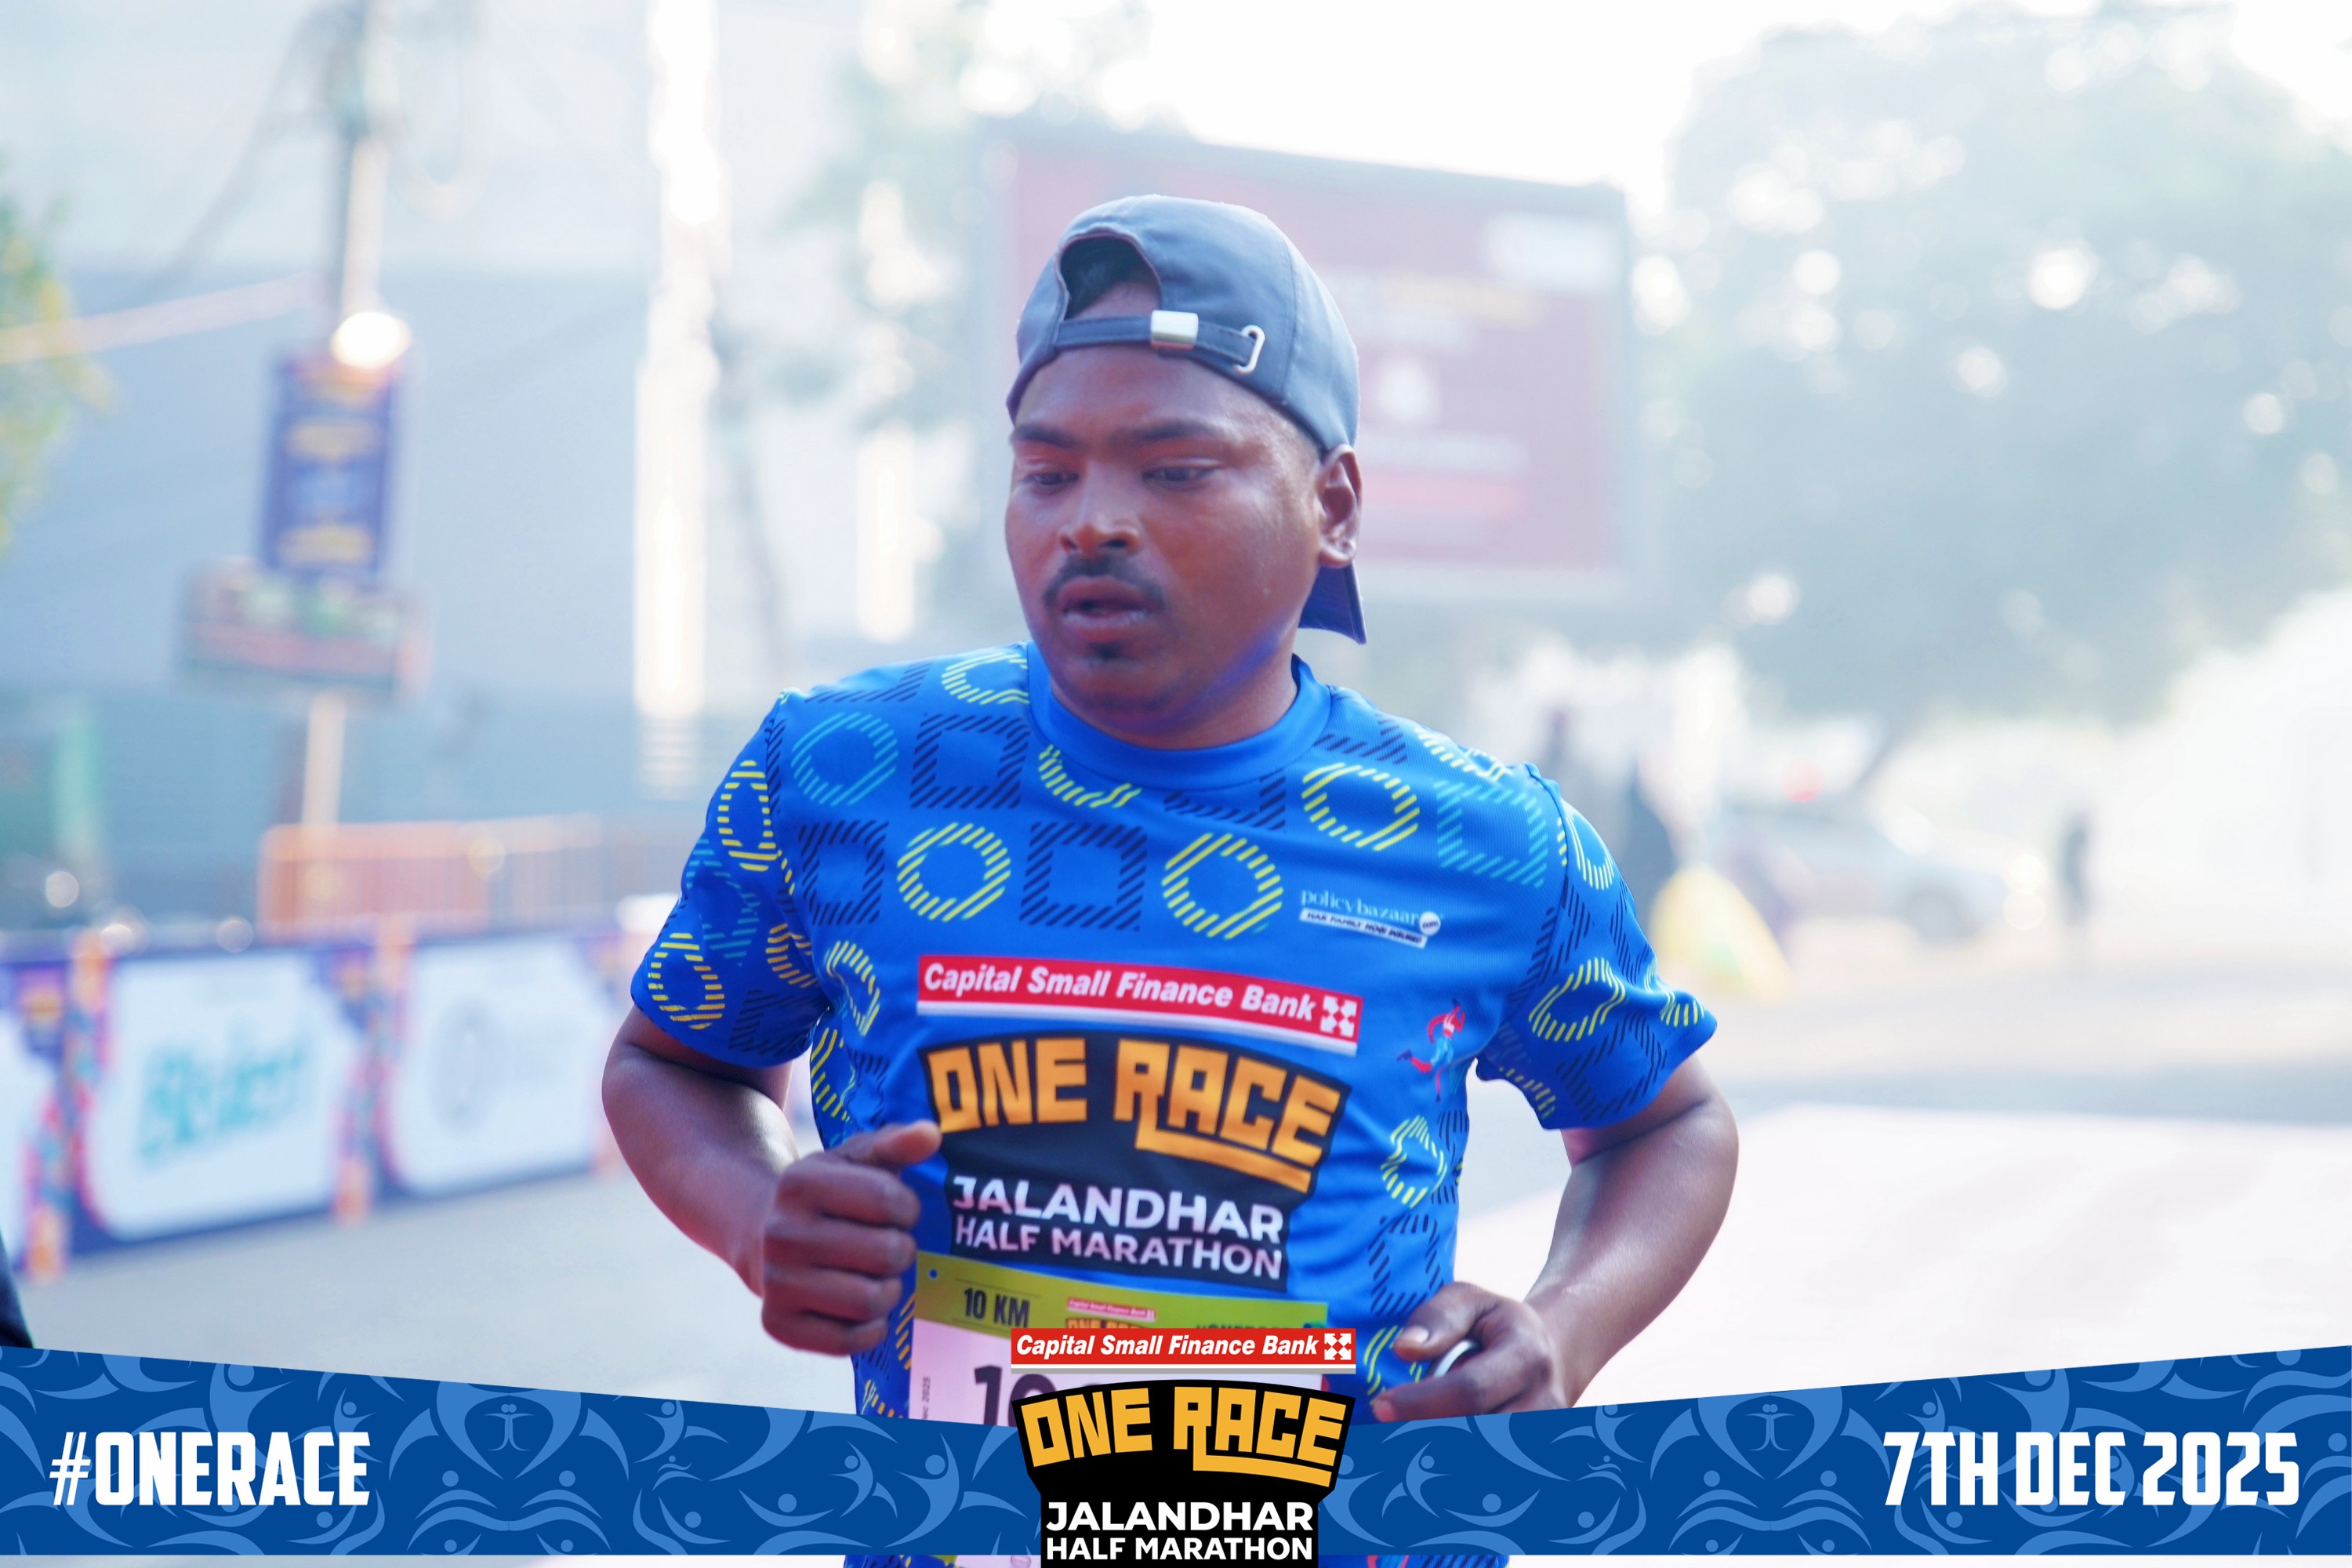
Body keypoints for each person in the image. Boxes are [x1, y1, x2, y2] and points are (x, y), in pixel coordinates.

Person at [604, 196, 1737, 1429]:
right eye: (1046, 472)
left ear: (1335, 507)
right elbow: (673, 1064)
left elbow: (1667, 1124)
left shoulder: (1490, 843)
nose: (1091, 519)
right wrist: (758, 1215)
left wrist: (1565, 1327)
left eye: (1177, 470)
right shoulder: (841, 771)